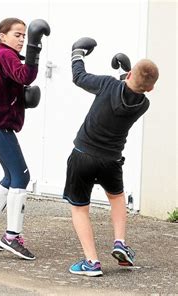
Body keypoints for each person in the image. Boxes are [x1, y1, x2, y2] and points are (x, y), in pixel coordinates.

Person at [65, 37, 159, 276]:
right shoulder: (143, 104)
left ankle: (92, 262)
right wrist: (128, 71)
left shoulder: (107, 84)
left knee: (80, 208)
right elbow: (133, 87)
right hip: (111, 160)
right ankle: (119, 242)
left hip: (83, 155)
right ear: (151, 88)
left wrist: (77, 53)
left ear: (128, 77)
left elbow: (79, 77)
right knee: (116, 199)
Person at [0, 18, 50, 260]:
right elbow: (25, 76)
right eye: (18, 35)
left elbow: (16, 82)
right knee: (21, 177)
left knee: (10, 176)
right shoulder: (5, 55)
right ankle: (12, 236)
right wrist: (35, 46)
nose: (22, 39)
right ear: (2, 36)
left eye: (25, 35)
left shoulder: (4, 55)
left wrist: (21, 99)